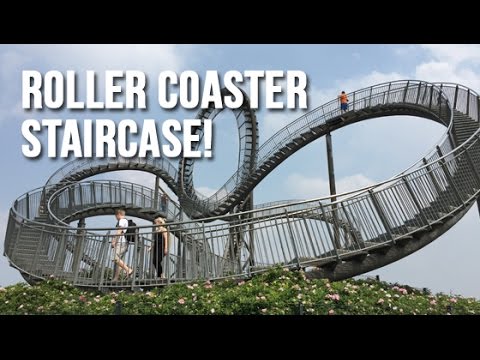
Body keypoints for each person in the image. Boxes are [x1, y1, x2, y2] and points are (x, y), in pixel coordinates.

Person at [111, 209, 133, 281]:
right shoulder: (126, 221)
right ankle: (116, 278)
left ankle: (128, 270)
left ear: (118, 214)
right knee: (119, 261)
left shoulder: (122, 221)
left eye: (115, 215)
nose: (115, 217)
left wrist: (114, 241)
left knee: (115, 258)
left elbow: (119, 231)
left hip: (121, 242)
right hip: (125, 242)